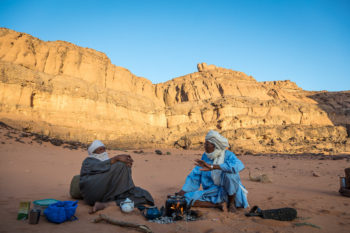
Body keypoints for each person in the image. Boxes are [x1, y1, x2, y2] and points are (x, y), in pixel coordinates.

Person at [177, 130, 248, 212]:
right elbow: (196, 174)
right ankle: (217, 205)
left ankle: (231, 204)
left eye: (207, 144)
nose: (204, 146)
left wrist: (214, 167)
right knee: (186, 198)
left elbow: (239, 165)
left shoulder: (228, 155)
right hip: (212, 191)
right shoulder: (205, 157)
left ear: (215, 145)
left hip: (229, 192)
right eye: (204, 143)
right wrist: (184, 190)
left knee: (230, 175)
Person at [79, 140, 154, 213]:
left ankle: (106, 205)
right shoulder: (88, 161)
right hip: (93, 194)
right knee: (121, 164)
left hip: (111, 194)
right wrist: (117, 159)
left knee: (145, 196)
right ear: (93, 153)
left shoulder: (111, 164)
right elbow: (100, 166)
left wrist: (125, 167)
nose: (103, 152)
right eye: (99, 150)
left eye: (104, 149)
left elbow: (110, 170)